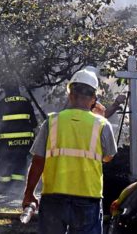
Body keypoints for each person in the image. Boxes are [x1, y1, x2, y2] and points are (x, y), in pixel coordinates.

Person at [22, 68, 117, 234]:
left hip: (53, 197)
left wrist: (29, 193)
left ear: (70, 95)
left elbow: (38, 161)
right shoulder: (102, 125)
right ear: (94, 98)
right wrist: (100, 116)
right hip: (88, 198)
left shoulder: (52, 122)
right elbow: (108, 157)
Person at [0, 85, 36, 190]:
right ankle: (18, 184)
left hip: (6, 142)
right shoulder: (26, 101)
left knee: (5, 160)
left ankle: (4, 183)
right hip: (24, 141)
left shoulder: (2, 103)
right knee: (21, 160)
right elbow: (34, 123)